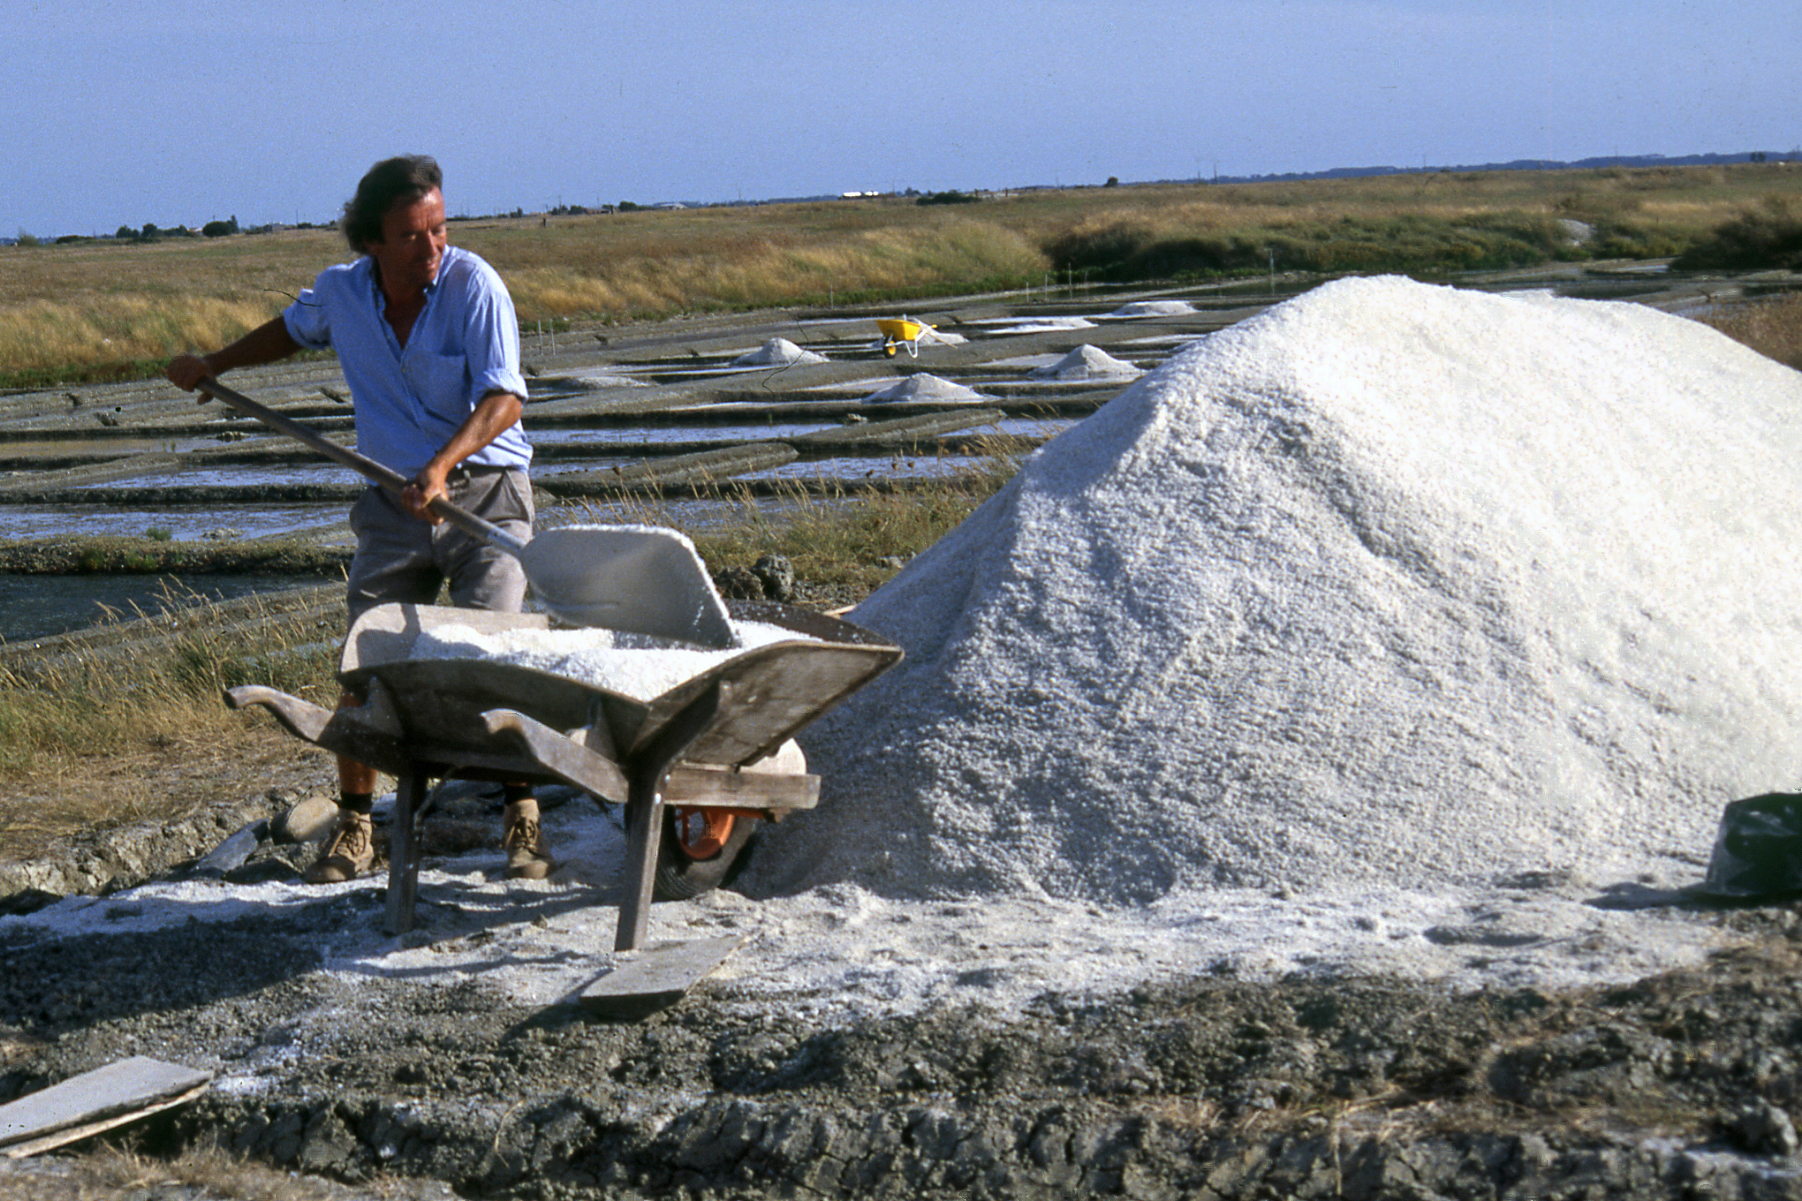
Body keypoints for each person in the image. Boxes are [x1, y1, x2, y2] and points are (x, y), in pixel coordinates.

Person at [166, 154, 553, 884]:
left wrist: (441, 466)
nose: (431, 247)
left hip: (485, 495)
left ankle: (522, 816)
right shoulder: (342, 293)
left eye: (439, 229)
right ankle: (355, 826)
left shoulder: (475, 286)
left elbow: (505, 398)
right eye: (411, 236)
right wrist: (216, 363)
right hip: (391, 503)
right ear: (371, 241)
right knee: (364, 662)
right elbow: (292, 329)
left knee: (495, 658)